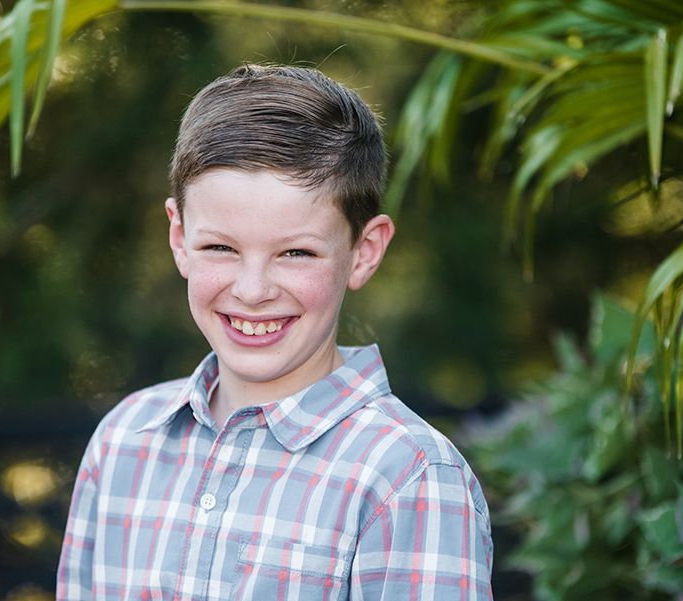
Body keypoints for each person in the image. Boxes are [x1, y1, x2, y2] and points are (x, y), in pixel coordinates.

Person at [57, 64, 493, 600]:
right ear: (179, 238)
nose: (253, 290)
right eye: (220, 247)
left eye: (296, 253)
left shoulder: (408, 477)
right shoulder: (123, 441)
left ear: (364, 252)